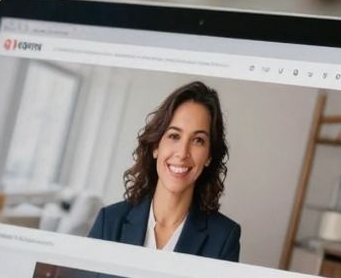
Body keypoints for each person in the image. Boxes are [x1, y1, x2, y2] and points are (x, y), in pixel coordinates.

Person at [88, 80, 241, 261]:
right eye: (174, 136)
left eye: (198, 140)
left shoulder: (224, 237)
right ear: (156, 146)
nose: (183, 153)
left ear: (209, 156)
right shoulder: (110, 221)